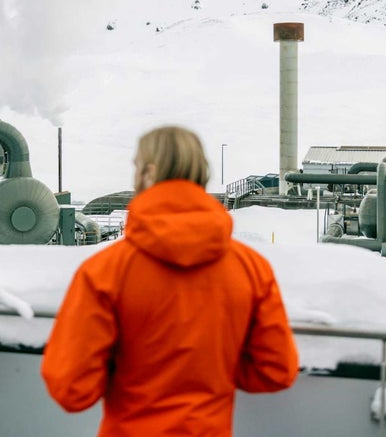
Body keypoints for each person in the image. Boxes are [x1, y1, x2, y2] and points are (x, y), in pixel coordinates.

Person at [41, 125, 299, 436]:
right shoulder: (252, 267)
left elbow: (71, 388)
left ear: (149, 173)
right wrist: (214, 372)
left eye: (136, 166)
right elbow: (277, 371)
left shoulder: (105, 271)